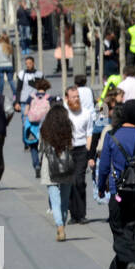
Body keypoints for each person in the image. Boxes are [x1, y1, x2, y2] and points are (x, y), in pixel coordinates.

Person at [97, 100, 135, 269]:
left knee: (119, 230)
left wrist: (101, 187)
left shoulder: (113, 137)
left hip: (118, 193)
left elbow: (103, 166)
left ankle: (129, 259)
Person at [39, 103, 76, 242]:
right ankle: (63, 224)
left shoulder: (44, 129)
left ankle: (59, 226)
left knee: (54, 200)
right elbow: (72, 146)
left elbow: (40, 148)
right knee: (65, 200)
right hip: (66, 165)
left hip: (49, 166)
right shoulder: (68, 129)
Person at [64, 86, 94, 223]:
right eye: (73, 97)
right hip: (67, 150)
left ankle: (81, 214)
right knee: (70, 182)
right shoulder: (64, 113)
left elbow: (89, 133)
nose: (76, 99)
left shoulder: (86, 113)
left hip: (81, 149)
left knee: (80, 181)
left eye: (77, 96)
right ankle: (73, 213)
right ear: (67, 98)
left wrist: (88, 152)